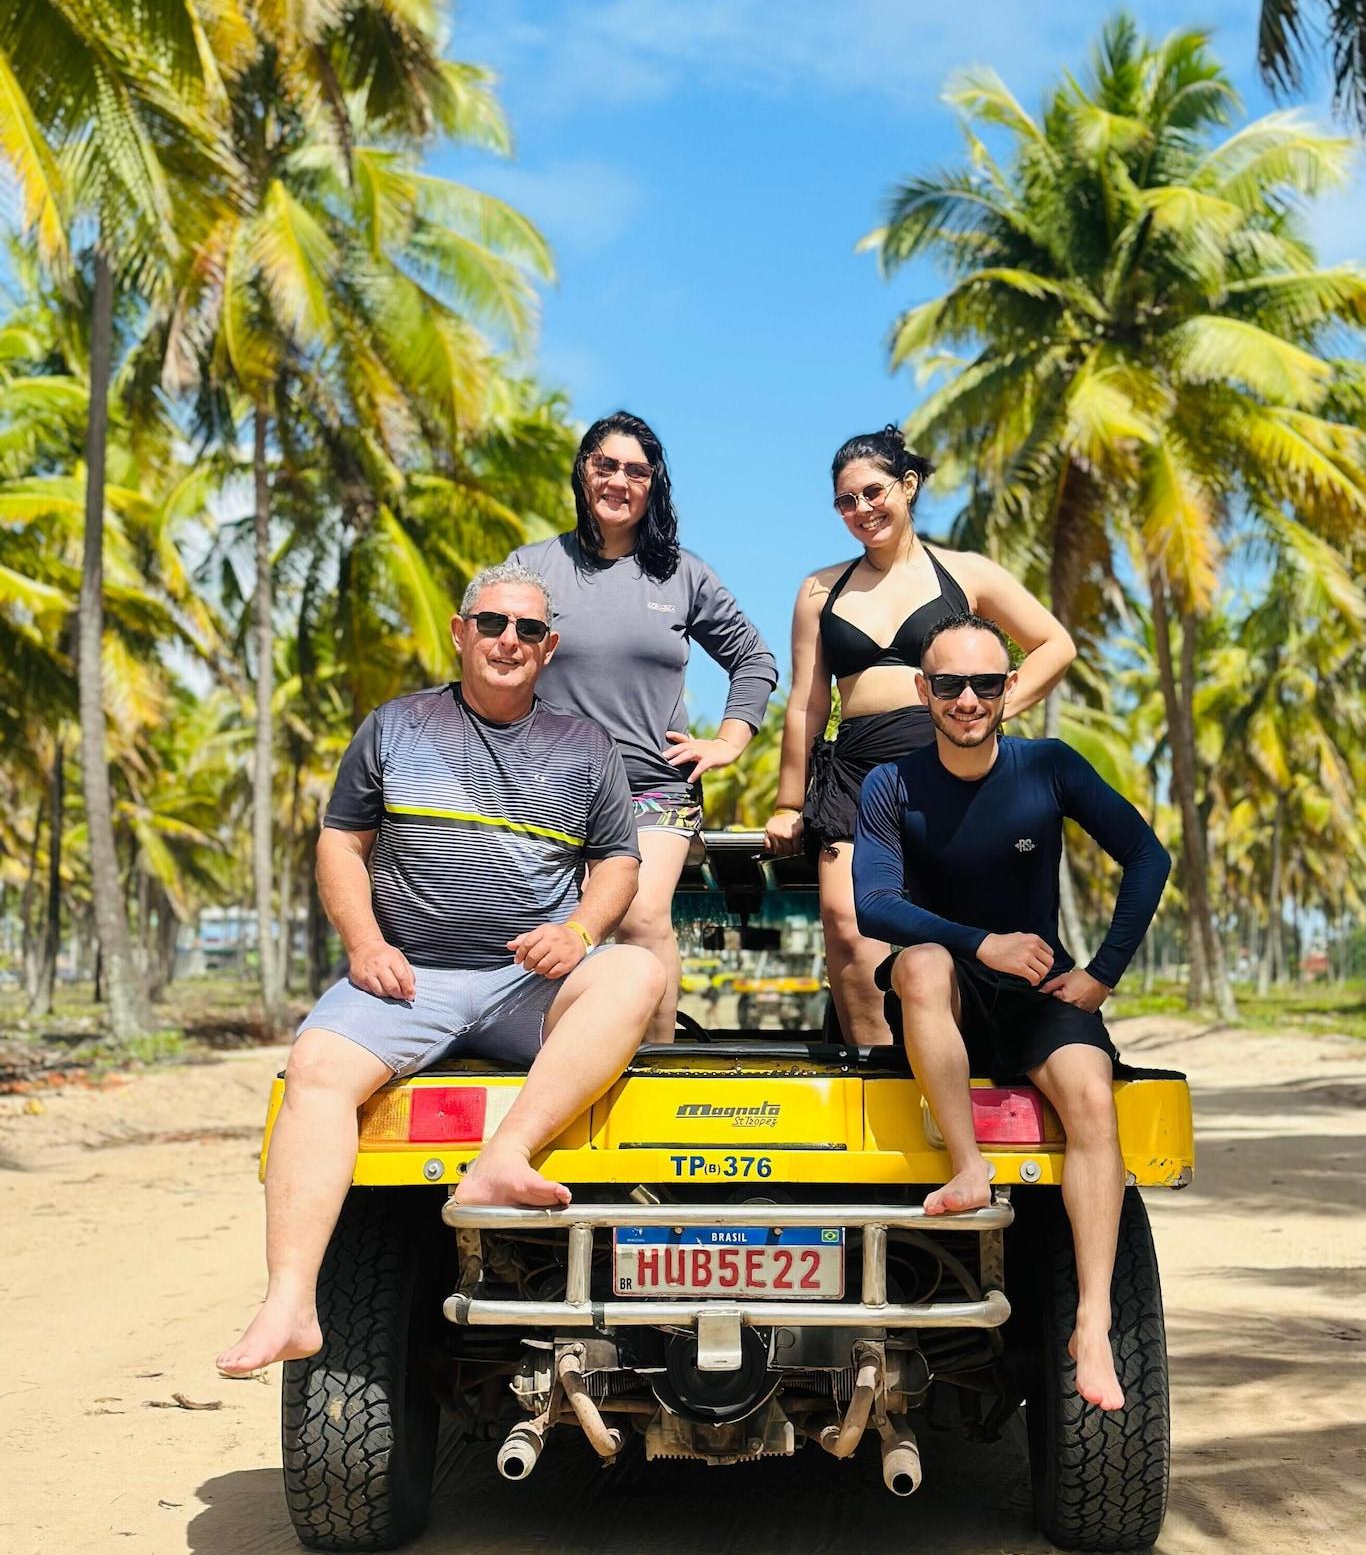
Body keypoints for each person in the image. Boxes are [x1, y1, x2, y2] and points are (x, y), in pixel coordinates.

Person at [217, 560, 665, 1379]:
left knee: (633, 972)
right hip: (409, 980)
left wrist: (577, 928)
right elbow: (341, 842)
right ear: (460, 632)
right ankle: (289, 1302)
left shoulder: (585, 745)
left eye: (528, 630)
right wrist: (364, 945)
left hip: (529, 988)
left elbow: (618, 864)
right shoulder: (396, 725)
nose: (507, 641)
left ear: (549, 646)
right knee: (315, 1069)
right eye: (491, 624)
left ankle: (507, 1157)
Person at [851, 611, 1169, 1411]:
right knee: (919, 965)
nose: (967, 699)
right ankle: (968, 1168)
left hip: (1038, 991)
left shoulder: (1047, 767)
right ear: (925, 691)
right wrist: (979, 942)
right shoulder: (892, 784)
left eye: (984, 684)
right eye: (950, 684)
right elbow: (874, 906)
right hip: (947, 991)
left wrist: (1102, 973)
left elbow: (1146, 856)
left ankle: (1091, 1322)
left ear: (1009, 689)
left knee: (1093, 1098)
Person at [765, 424, 1075, 1044]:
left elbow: (1055, 645)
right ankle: (874, 1084)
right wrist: (788, 801)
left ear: (907, 487)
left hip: (946, 762)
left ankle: (953, 1073)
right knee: (847, 923)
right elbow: (804, 702)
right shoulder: (818, 589)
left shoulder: (966, 573)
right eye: (845, 502)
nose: (861, 510)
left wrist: (985, 715)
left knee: (951, 920)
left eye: (873, 492)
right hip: (854, 767)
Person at [520, 414, 777, 1041]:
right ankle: (562, 1066)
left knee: (637, 916)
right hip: (549, 787)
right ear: (583, 472)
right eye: (605, 465)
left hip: (653, 787)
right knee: (556, 924)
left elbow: (754, 659)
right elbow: (493, 651)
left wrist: (729, 742)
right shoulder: (533, 567)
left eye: (636, 471)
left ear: (654, 485)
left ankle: (656, 1074)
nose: (618, 481)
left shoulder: (682, 574)